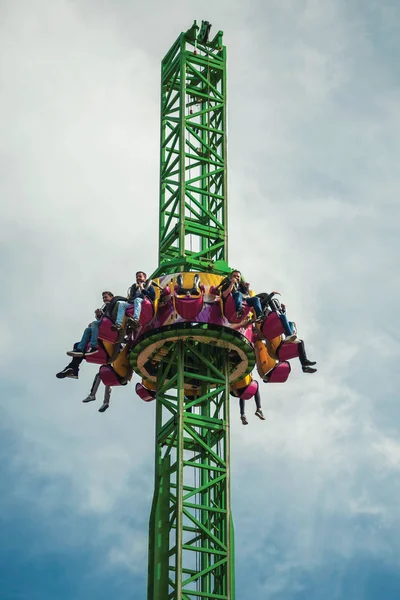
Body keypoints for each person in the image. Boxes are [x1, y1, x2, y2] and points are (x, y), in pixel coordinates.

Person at [67, 291, 114, 357]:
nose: (104, 299)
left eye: (106, 297)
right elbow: (102, 320)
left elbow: (111, 317)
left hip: (112, 324)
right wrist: (98, 315)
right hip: (105, 324)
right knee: (88, 329)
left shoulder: (115, 304)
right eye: (103, 298)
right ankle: (80, 349)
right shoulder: (104, 308)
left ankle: (94, 346)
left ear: (112, 297)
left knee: (94, 323)